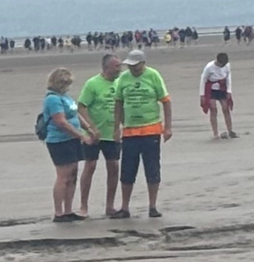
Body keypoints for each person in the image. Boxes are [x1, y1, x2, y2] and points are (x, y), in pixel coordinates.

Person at [111, 50, 173, 219]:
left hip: (151, 130)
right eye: (130, 66)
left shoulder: (153, 76)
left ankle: (152, 206)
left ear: (143, 63)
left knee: (152, 169)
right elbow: (118, 103)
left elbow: (166, 101)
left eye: (135, 66)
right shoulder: (123, 79)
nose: (132, 69)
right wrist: (116, 127)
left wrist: (168, 127)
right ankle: (125, 207)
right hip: (130, 131)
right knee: (128, 170)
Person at [42, 68, 97, 223]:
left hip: (72, 140)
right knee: (63, 176)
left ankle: (68, 209)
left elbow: (75, 114)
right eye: (65, 83)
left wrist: (88, 128)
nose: (67, 86)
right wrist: (82, 136)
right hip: (59, 141)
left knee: (72, 174)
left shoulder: (65, 97)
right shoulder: (52, 99)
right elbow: (61, 122)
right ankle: (59, 212)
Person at [76, 54, 122, 218]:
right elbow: (81, 107)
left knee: (114, 167)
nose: (120, 69)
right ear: (107, 67)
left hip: (112, 133)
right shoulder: (92, 84)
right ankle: (83, 206)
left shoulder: (120, 83)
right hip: (94, 134)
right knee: (90, 166)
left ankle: (110, 206)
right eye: (117, 66)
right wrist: (91, 128)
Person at [199, 52, 236, 140]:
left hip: (222, 88)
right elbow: (203, 80)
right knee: (213, 109)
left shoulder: (227, 66)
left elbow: (228, 77)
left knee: (226, 108)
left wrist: (229, 91)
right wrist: (202, 95)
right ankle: (215, 133)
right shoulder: (209, 67)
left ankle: (230, 130)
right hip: (211, 89)